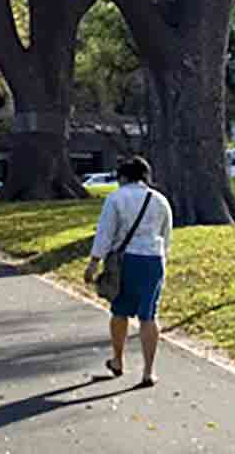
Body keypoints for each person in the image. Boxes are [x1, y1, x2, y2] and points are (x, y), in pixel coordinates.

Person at [83, 155, 174, 387]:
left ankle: (118, 360)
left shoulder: (116, 198)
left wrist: (94, 262)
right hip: (154, 260)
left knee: (120, 311)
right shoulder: (160, 200)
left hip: (126, 262)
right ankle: (148, 371)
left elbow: (105, 233)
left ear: (122, 176)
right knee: (149, 316)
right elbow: (166, 234)